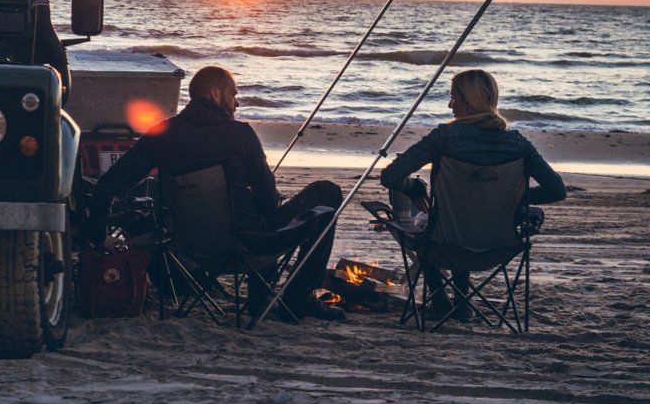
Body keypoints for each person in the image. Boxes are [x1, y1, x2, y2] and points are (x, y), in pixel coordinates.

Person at [86, 65, 344, 320]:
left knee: (254, 213)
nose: (237, 104)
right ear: (215, 93)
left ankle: (260, 302)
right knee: (326, 193)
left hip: (187, 249)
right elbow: (267, 201)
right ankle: (298, 299)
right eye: (233, 95)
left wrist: (98, 235)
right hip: (247, 244)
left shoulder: (162, 134)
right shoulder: (240, 134)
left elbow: (108, 184)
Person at [381, 68, 566, 319]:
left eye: (454, 97)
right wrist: (511, 198)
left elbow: (390, 177)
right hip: (499, 247)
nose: (449, 105)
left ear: (469, 102)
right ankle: (462, 302)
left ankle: (439, 299)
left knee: (427, 222)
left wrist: (414, 187)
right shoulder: (517, 143)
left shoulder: (444, 138)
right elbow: (556, 190)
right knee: (457, 216)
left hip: (444, 245)